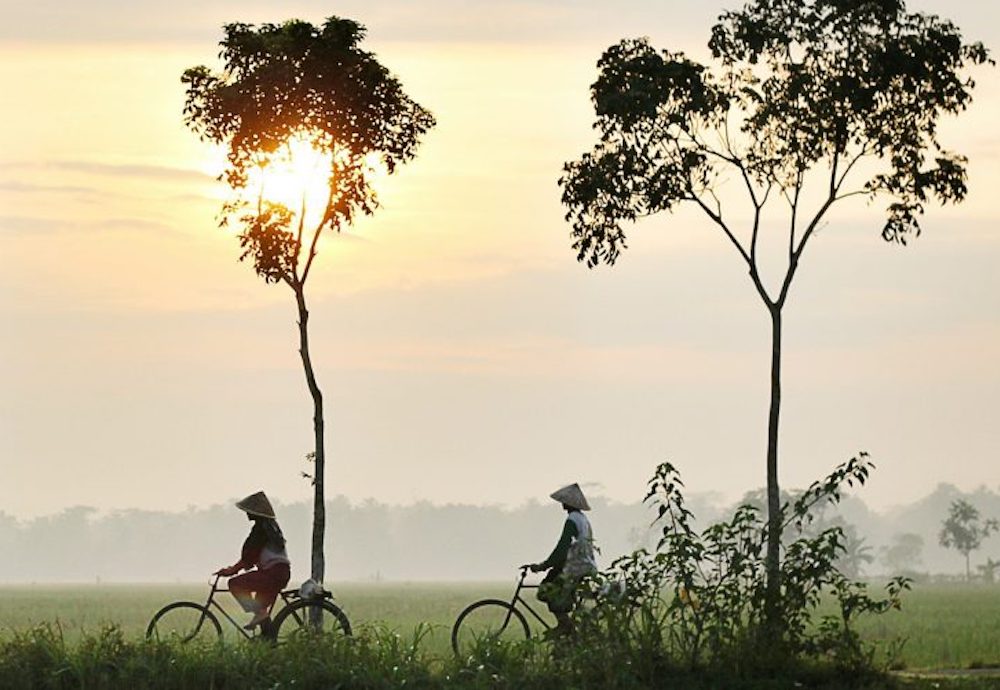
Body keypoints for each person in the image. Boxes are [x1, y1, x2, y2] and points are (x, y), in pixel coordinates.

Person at [527, 483, 597, 635]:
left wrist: (543, 566)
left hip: (576, 567)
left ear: (568, 503)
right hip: (585, 564)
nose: (562, 504)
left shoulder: (572, 520)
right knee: (557, 584)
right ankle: (568, 630)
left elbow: (562, 548)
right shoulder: (583, 519)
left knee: (547, 589)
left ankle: (564, 625)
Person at [214, 491, 291, 632]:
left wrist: (232, 570)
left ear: (256, 512)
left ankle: (261, 615)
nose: (247, 513)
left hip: (273, 574)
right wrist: (234, 568)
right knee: (260, 610)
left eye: (249, 511)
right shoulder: (270, 527)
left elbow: (250, 556)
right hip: (279, 573)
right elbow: (250, 557)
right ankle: (268, 641)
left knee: (235, 583)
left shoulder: (262, 529)